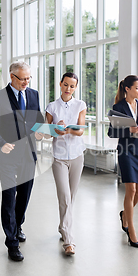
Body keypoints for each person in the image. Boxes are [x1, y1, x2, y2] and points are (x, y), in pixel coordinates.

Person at [0, 61, 44, 261]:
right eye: (22, 79)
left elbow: (38, 121)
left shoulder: (33, 94)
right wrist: (1, 143)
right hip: (7, 156)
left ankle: (18, 225)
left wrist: (40, 132)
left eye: (29, 78)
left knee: (25, 194)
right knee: (10, 196)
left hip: (28, 154)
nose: (26, 82)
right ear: (12, 77)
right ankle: (11, 242)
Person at [108, 75, 138, 248]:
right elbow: (111, 133)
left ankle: (124, 215)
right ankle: (131, 231)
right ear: (127, 89)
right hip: (126, 150)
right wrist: (128, 129)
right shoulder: (118, 107)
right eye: (137, 88)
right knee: (131, 188)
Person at [44, 73, 86, 256]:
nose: (68, 88)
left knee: (71, 197)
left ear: (75, 87)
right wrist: (56, 128)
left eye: (72, 86)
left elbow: (81, 130)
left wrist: (67, 129)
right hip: (59, 158)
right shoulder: (52, 106)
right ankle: (69, 241)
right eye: (66, 85)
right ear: (60, 84)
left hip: (77, 156)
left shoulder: (80, 105)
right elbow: (47, 132)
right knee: (65, 197)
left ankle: (63, 227)